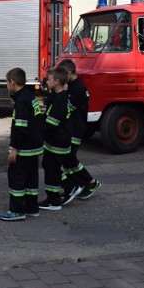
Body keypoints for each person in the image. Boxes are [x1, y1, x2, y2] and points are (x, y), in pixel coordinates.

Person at [0, 68, 44, 221]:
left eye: (7, 82)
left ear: (12, 82)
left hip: (23, 148)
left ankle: (17, 210)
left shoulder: (21, 101)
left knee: (16, 176)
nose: (7, 85)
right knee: (31, 177)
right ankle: (32, 207)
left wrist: (14, 149)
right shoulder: (29, 96)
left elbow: (20, 128)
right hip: (34, 147)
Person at [56, 59, 101, 204]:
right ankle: (76, 185)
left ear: (69, 73)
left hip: (75, 130)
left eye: (63, 74)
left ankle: (90, 182)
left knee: (69, 159)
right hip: (69, 129)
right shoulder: (71, 86)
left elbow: (67, 108)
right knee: (67, 160)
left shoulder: (79, 89)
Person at [39, 66, 72, 211]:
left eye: (49, 79)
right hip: (55, 141)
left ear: (57, 81)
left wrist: (36, 129)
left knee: (51, 169)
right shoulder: (59, 96)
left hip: (57, 141)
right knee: (49, 166)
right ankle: (68, 186)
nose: (47, 81)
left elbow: (51, 123)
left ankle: (53, 200)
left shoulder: (60, 101)